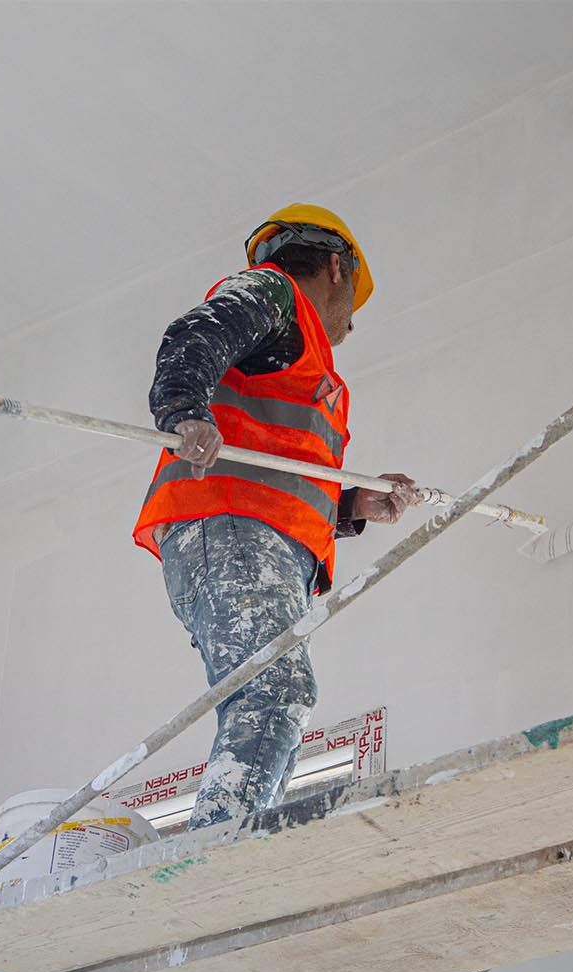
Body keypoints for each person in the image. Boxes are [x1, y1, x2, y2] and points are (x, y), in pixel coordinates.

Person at [131, 204, 423, 829]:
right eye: (354, 307)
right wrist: (185, 409)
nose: (349, 328)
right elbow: (195, 335)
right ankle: (216, 860)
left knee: (274, 700)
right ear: (337, 267)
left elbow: (277, 461)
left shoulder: (302, 358)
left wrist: (352, 504)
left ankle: (232, 844)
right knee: (275, 693)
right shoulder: (274, 292)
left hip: (256, 535)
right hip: (230, 523)